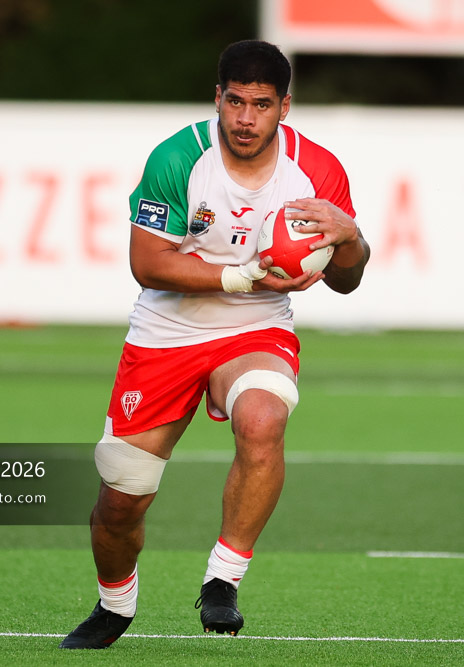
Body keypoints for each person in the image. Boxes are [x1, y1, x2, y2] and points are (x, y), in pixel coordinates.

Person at [59, 40, 370, 650]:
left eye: (261, 104)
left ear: (286, 105)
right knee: (120, 498)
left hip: (255, 327)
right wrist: (242, 272)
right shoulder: (180, 158)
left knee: (263, 417)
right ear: (218, 97)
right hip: (165, 334)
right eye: (235, 102)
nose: (246, 119)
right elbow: (147, 264)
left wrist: (352, 239)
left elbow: (347, 278)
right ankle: (115, 602)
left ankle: (223, 579)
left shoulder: (318, 169)